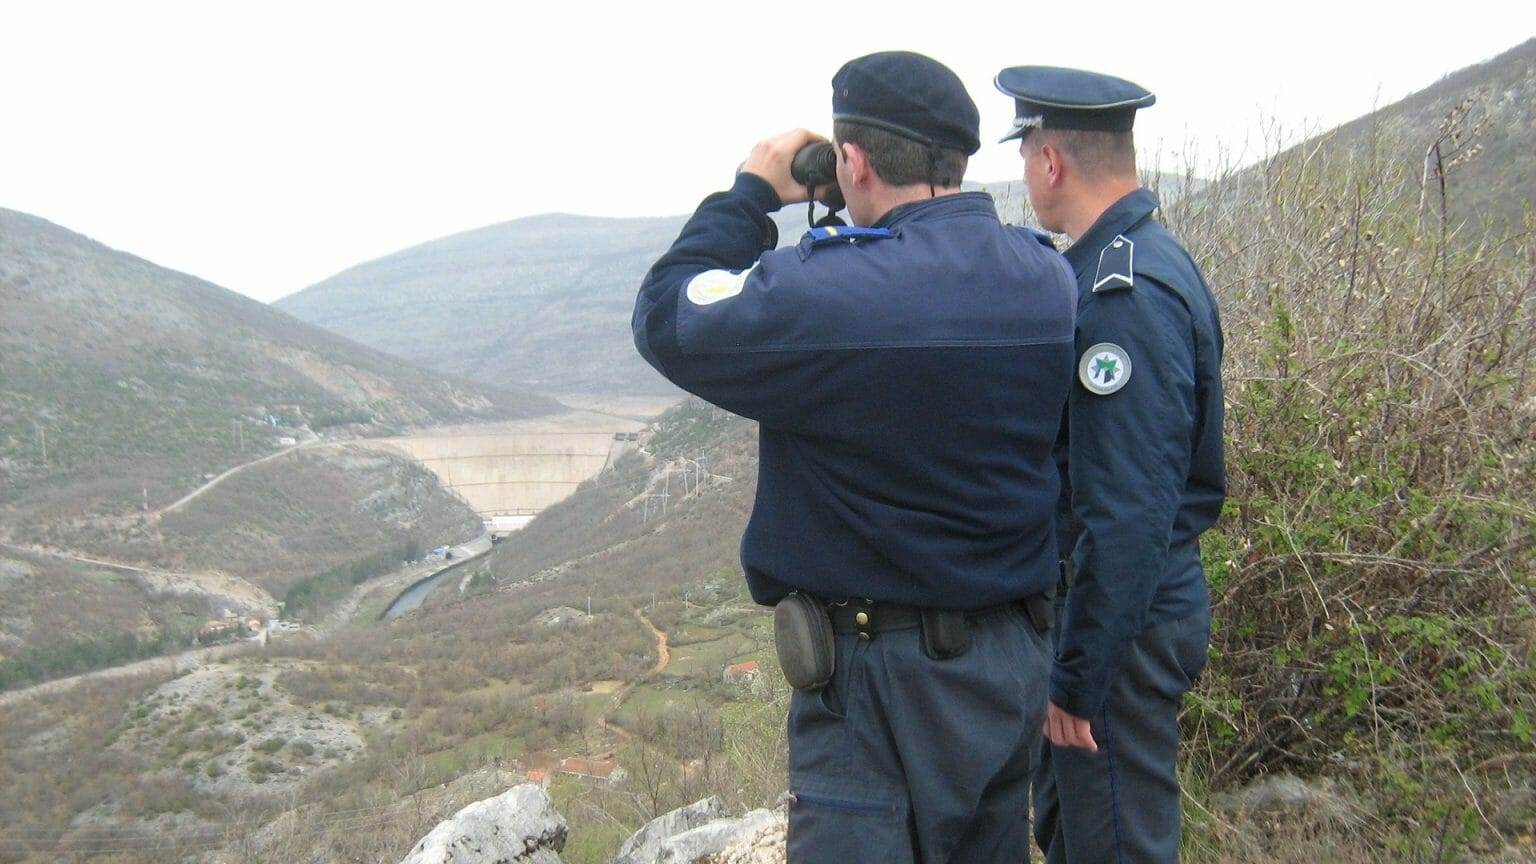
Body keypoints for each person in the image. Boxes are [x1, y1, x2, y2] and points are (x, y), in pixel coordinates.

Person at [634, 51, 1076, 864]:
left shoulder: (828, 293)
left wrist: (753, 193)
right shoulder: (1045, 277)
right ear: (958, 156)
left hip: (881, 686)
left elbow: (667, 311)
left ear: (855, 160)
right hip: (1011, 665)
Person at [993, 65, 1227, 863]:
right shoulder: (1131, 262)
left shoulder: (1123, 295)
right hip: (1116, 615)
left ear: (1050, 161)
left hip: (1121, 630)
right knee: (1078, 834)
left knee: (1115, 844)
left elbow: (1126, 510)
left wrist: (1079, 676)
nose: (1026, 174)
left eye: (1025, 153)